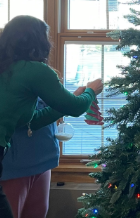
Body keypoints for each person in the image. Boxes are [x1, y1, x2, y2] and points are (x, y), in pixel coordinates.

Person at [0, 15, 104, 218]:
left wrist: (66, 101)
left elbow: (33, 121)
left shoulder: (10, 71)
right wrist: (91, 91)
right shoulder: (35, 70)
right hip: (10, 161)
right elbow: (75, 108)